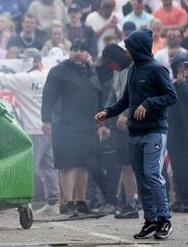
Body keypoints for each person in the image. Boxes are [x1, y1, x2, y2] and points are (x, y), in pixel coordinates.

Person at [95, 29, 177, 240]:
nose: (126, 50)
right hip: (135, 133)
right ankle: (150, 221)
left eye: (128, 47)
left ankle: (164, 219)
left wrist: (149, 104)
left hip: (154, 132)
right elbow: (126, 100)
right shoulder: (132, 70)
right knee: (141, 178)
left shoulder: (157, 70)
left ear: (138, 47)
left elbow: (170, 95)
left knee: (152, 174)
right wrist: (108, 112)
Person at [0, 48, 60, 215]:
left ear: (34, 61)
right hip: (50, 127)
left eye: (25, 59)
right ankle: (53, 203)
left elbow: (1, 79)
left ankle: (26, 203)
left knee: (30, 168)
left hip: (34, 129)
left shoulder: (24, 79)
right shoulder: (49, 75)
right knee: (49, 167)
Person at [42, 39, 103, 216]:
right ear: (70, 52)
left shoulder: (91, 71)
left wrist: (101, 121)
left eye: (82, 50)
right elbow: (48, 96)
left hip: (87, 124)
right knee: (68, 164)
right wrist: (46, 120)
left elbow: (98, 95)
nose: (77, 53)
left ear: (88, 54)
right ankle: (67, 203)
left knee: (83, 164)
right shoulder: (59, 71)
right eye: (74, 49)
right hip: (64, 123)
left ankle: (81, 202)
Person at [99, 44, 139, 219]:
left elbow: (140, 95)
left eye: (110, 63)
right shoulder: (118, 73)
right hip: (122, 127)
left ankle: (139, 201)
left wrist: (128, 115)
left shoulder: (134, 70)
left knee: (138, 166)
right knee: (126, 164)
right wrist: (104, 121)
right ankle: (130, 204)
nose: (109, 67)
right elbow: (112, 99)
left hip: (138, 124)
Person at [168, 52, 188, 213]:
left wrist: (184, 86)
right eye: (181, 65)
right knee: (178, 168)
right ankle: (182, 198)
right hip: (175, 135)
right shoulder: (171, 85)